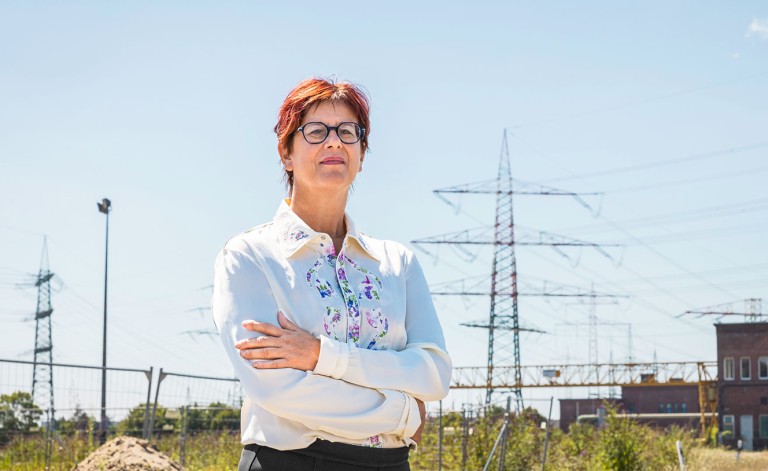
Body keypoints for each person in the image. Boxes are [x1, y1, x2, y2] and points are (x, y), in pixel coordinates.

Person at [212, 77, 452, 471]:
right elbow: (278, 389)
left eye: (347, 132)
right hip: (289, 463)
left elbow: (433, 375)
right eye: (316, 131)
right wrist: (404, 415)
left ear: (361, 153)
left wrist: (321, 356)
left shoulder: (397, 262)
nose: (334, 142)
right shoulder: (250, 256)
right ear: (285, 153)